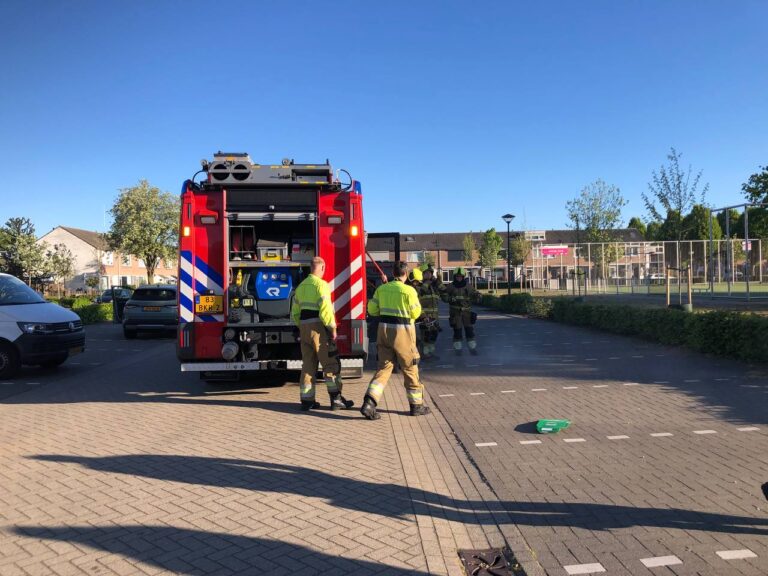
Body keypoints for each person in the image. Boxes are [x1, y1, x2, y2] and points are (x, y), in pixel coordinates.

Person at [360, 261, 430, 420]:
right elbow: (415, 313)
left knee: (383, 369)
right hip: (403, 333)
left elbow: (372, 310)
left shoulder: (381, 289)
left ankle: (369, 403)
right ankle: (416, 406)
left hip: (383, 332)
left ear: (393, 273)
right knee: (410, 368)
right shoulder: (409, 291)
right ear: (406, 274)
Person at [291, 257, 354, 411]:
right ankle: (336, 399)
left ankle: (307, 400)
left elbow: (295, 313)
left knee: (308, 365)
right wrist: (332, 328)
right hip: (318, 328)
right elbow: (326, 310)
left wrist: (302, 326)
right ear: (322, 268)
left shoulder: (300, 287)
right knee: (330, 364)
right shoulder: (322, 285)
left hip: (304, 328)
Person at [443, 267, 481, 355]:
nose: (459, 278)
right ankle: (458, 350)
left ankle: (472, 348)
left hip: (467, 313)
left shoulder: (468, 286)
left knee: (469, 331)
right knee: (457, 331)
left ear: (463, 277)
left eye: (461, 276)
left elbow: (474, 293)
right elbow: (444, 296)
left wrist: (478, 295)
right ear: (455, 277)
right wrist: (449, 298)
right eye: (457, 277)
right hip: (455, 313)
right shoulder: (450, 286)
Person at [418, 267, 443, 360]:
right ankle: (424, 354)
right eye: (426, 273)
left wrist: (437, 281)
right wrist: (423, 316)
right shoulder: (419, 286)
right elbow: (417, 300)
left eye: (430, 273)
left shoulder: (434, 286)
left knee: (433, 336)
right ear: (422, 274)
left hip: (434, 317)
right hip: (425, 317)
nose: (428, 275)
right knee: (425, 336)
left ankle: (430, 353)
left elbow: (444, 290)